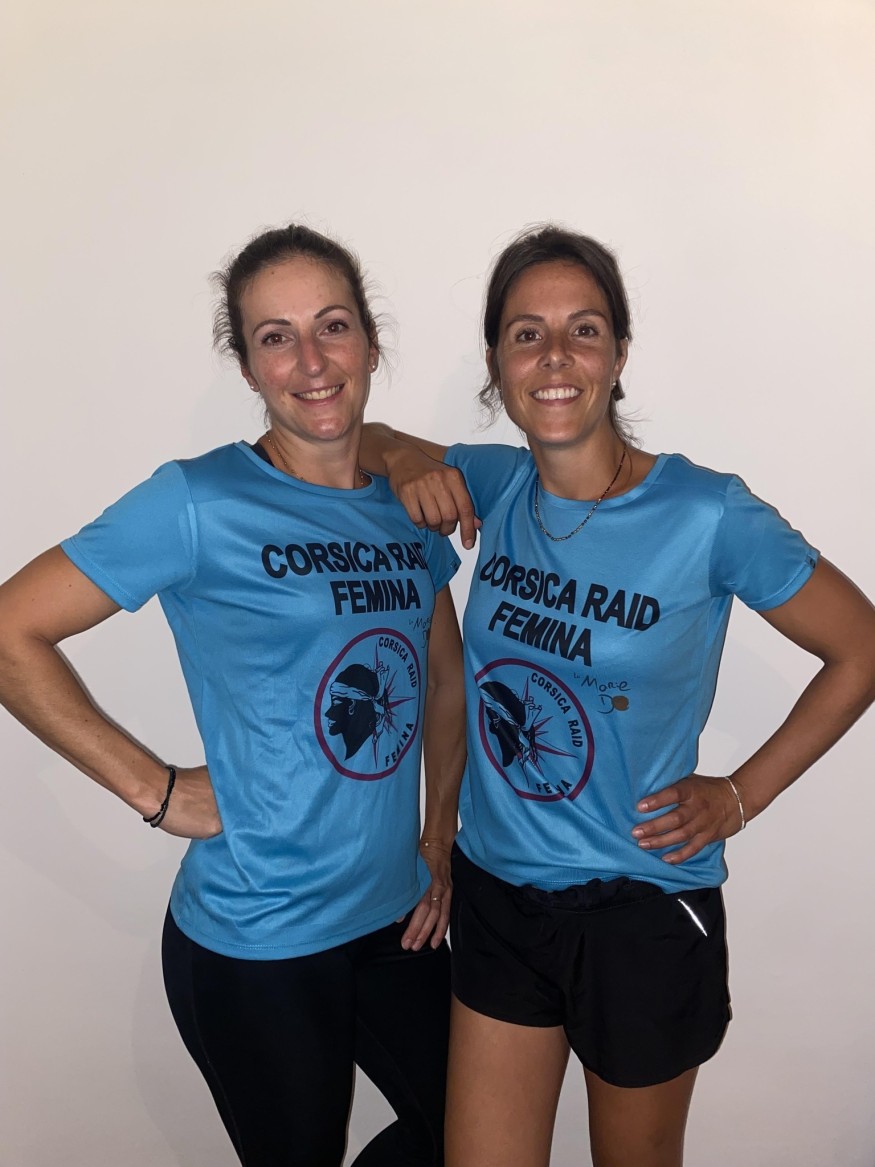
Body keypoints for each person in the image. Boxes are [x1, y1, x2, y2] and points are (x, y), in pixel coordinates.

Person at [359, 224, 875, 1167]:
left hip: (641, 909)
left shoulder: (706, 512)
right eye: (526, 333)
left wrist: (740, 793)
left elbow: (861, 648)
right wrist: (401, 460)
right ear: (496, 363)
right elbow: (372, 439)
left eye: (583, 330)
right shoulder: (495, 483)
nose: (555, 355)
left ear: (619, 355)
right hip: (498, 894)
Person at [0, 224, 466, 1167]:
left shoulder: (403, 504)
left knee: (469, 1137)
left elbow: (443, 677)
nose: (311, 361)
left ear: (369, 341)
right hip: (259, 934)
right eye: (275, 337)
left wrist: (437, 836)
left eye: (332, 326)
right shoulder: (197, 501)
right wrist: (156, 789)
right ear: (248, 365)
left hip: (395, 913)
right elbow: (12, 631)